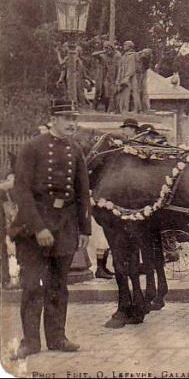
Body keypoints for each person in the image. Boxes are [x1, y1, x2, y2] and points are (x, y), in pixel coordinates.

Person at [9, 100, 91, 359]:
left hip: (65, 226)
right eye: (66, 118)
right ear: (53, 119)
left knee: (58, 285)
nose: (72, 123)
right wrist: (38, 228)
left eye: (74, 118)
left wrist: (84, 229)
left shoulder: (76, 150)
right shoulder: (32, 147)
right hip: (34, 227)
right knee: (33, 285)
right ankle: (30, 342)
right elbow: (20, 190)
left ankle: (57, 338)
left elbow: (82, 193)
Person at [92, 40, 122, 113]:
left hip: (111, 77)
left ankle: (108, 109)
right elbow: (93, 54)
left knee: (109, 93)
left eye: (108, 47)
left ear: (112, 48)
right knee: (98, 92)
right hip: (102, 77)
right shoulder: (103, 55)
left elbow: (119, 68)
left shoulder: (117, 55)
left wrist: (117, 79)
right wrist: (103, 51)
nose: (107, 49)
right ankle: (94, 108)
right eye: (105, 47)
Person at [116, 41, 141, 113]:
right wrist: (118, 79)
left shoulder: (133, 55)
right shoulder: (123, 56)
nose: (124, 46)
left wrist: (126, 77)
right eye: (124, 44)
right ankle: (124, 109)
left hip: (131, 77)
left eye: (125, 44)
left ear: (130, 46)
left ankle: (136, 109)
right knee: (124, 93)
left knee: (134, 93)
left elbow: (132, 68)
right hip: (124, 77)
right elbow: (120, 69)